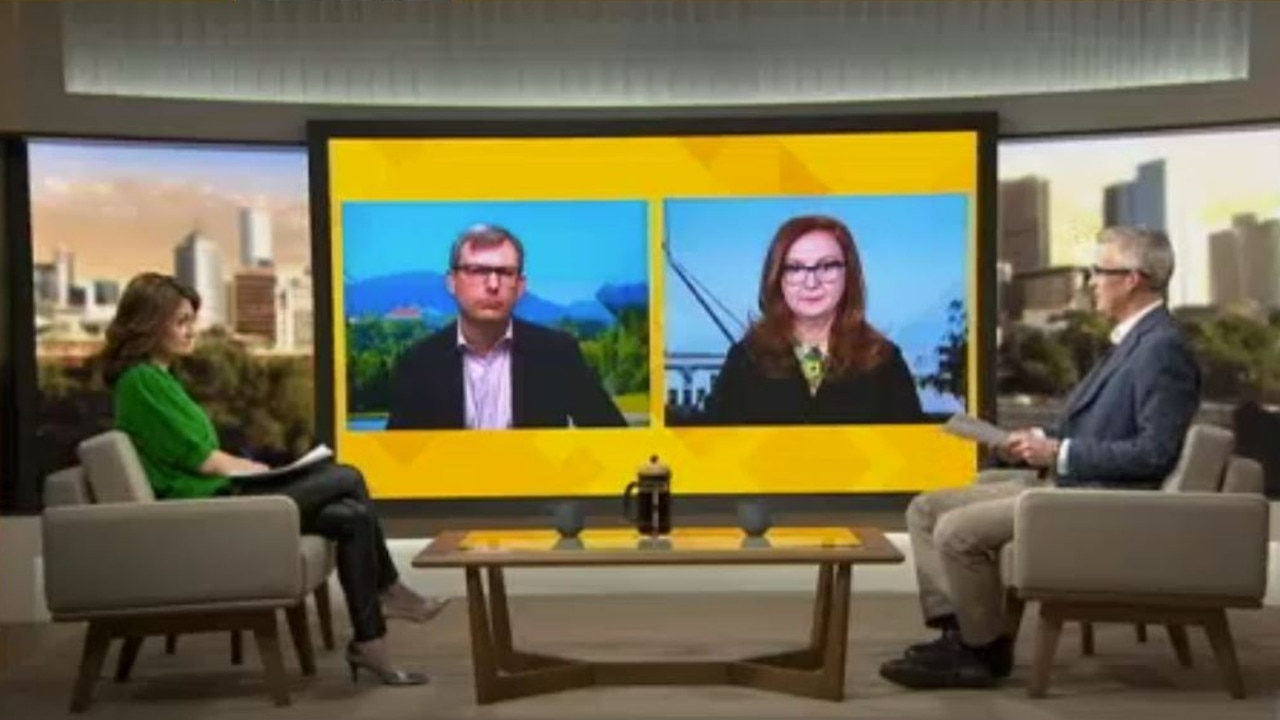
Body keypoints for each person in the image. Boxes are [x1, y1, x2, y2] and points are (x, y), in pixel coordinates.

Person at [879, 226, 1201, 689]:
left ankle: (980, 653)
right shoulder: (1131, 342)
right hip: (1069, 484)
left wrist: (1060, 452)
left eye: (1099, 271)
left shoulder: (1161, 349)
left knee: (956, 530)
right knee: (925, 509)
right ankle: (964, 635)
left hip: (1099, 501)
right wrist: (1039, 439)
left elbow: (1154, 453)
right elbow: (1100, 426)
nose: (1090, 281)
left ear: (1133, 278)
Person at [103, 272, 445, 687]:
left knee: (352, 517)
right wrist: (262, 473)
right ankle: (389, 589)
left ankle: (370, 644)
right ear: (148, 323)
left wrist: (262, 472)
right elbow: (205, 461)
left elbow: (199, 455)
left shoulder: (160, 377)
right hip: (208, 510)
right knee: (348, 476)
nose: (191, 330)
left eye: (191, 319)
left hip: (219, 498)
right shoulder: (140, 382)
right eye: (180, 321)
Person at [385, 223, 627, 430]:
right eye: (477, 271)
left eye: (505, 272)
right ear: (451, 282)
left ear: (521, 286)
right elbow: (396, 460)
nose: (492, 284)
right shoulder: (419, 362)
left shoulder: (557, 354)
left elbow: (614, 438)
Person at [696, 214, 924, 425]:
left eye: (826, 266)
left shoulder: (885, 361)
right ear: (777, 277)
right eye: (795, 268)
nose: (811, 282)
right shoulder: (745, 360)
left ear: (849, 274)